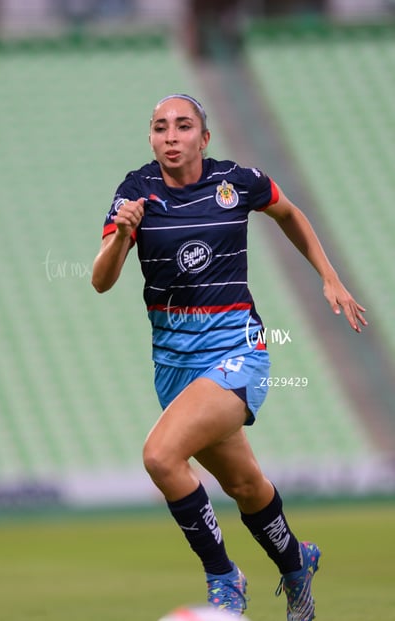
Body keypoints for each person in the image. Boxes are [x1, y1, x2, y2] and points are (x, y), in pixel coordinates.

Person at [92, 94, 367, 619]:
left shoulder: (236, 182)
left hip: (237, 350)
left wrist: (329, 277)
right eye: (159, 128)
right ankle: (295, 562)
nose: (170, 136)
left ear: (204, 137)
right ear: (151, 137)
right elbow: (102, 282)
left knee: (160, 457)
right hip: (174, 365)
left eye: (182, 126)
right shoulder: (135, 192)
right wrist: (121, 236)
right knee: (244, 485)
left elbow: (289, 212)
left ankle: (224, 576)